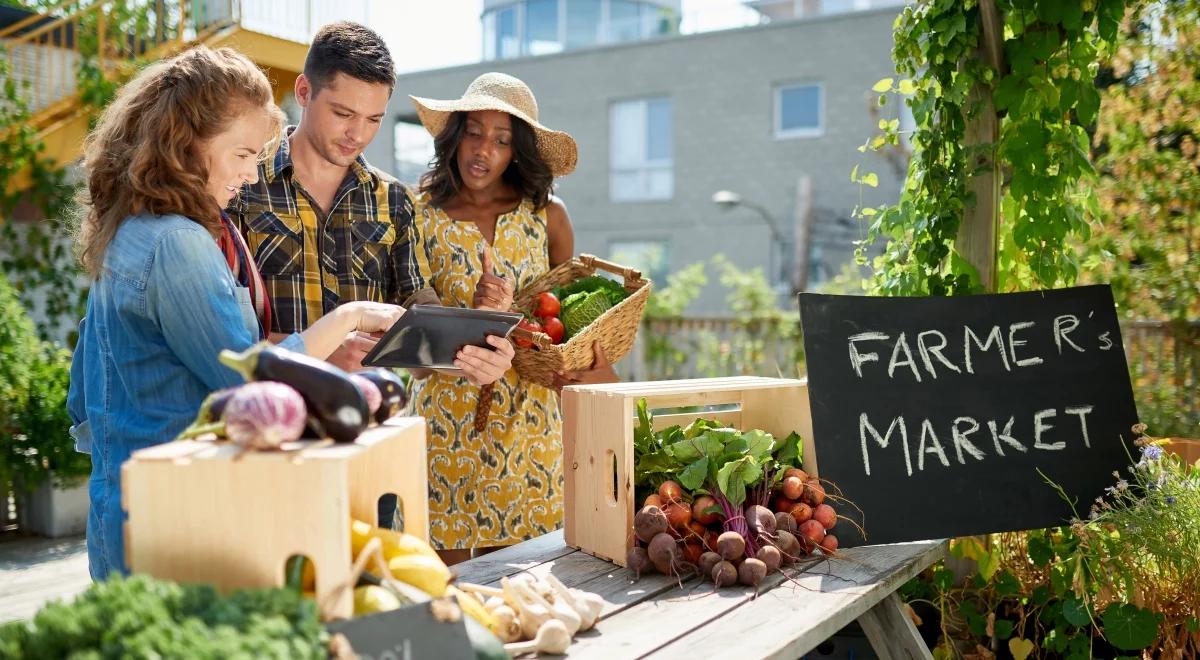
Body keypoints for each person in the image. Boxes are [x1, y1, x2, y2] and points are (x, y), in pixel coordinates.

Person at [67, 46, 410, 580]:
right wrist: (347, 317)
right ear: (188, 145)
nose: (252, 175)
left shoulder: (133, 231)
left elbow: (82, 397)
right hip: (179, 522)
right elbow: (241, 374)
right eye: (244, 154)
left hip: (128, 509)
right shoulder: (178, 243)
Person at [407, 72, 618, 564]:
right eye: (475, 132)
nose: (484, 150)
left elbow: (564, 323)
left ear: (516, 151)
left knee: (531, 582)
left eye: (502, 140)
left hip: (529, 426)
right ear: (455, 135)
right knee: (446, 587)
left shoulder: (548, 216)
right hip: (446, 425)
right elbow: (415, 333)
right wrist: (476, 317)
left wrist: (514, 318)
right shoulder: (417, 214)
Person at [228, 22, 513, 385]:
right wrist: (316, 350)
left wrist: (474, 353)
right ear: (304, 91)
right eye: (343, 114)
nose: (358, 134)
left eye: (374, 119)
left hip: (371, 423)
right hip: (272, 419)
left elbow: (421, 352)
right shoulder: (241, 184)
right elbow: (217, 337)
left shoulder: (395, 201)